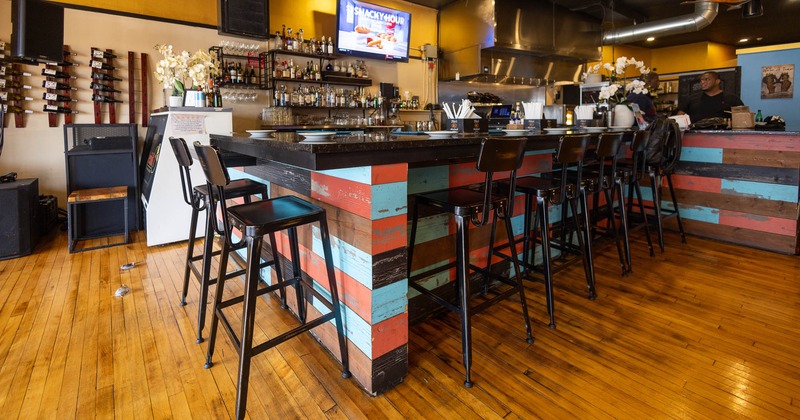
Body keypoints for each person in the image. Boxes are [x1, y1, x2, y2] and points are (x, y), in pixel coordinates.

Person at [677, 71, 744, 123]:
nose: (702, 82)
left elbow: (742, 118)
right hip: (696, 136)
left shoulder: (732, 99)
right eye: (701, 80)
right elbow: (680, 115)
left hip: (724, 137)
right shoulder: (691, 99)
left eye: (707, 79)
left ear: (717, 81)